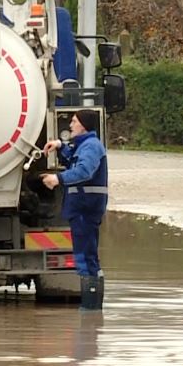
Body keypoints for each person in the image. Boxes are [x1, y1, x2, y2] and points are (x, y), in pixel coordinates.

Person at [41, 109, 108, 310]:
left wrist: (58, 178)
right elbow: (73, 158)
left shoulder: (91, 146)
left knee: (86, 258)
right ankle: (92, 314)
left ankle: (90, 310)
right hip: (83, 207)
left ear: (84, 125)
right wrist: (60, 146)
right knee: (88, 256)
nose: (70, 125)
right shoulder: (85, 145)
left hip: (86, 207)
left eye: (74, 121)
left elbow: (84, 171)